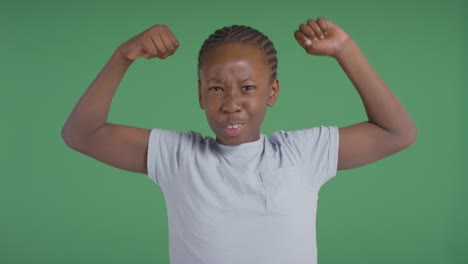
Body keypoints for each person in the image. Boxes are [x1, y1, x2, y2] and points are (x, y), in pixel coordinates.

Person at [61, 17, 417, 264]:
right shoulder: (177, 156)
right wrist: (124, 56)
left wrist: (345, 49)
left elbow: (397, 132)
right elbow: (81, 134)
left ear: (272, 92)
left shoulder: (302, 154)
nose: (231, 104)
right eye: (216, 88)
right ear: (199, 94)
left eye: (248, 88)